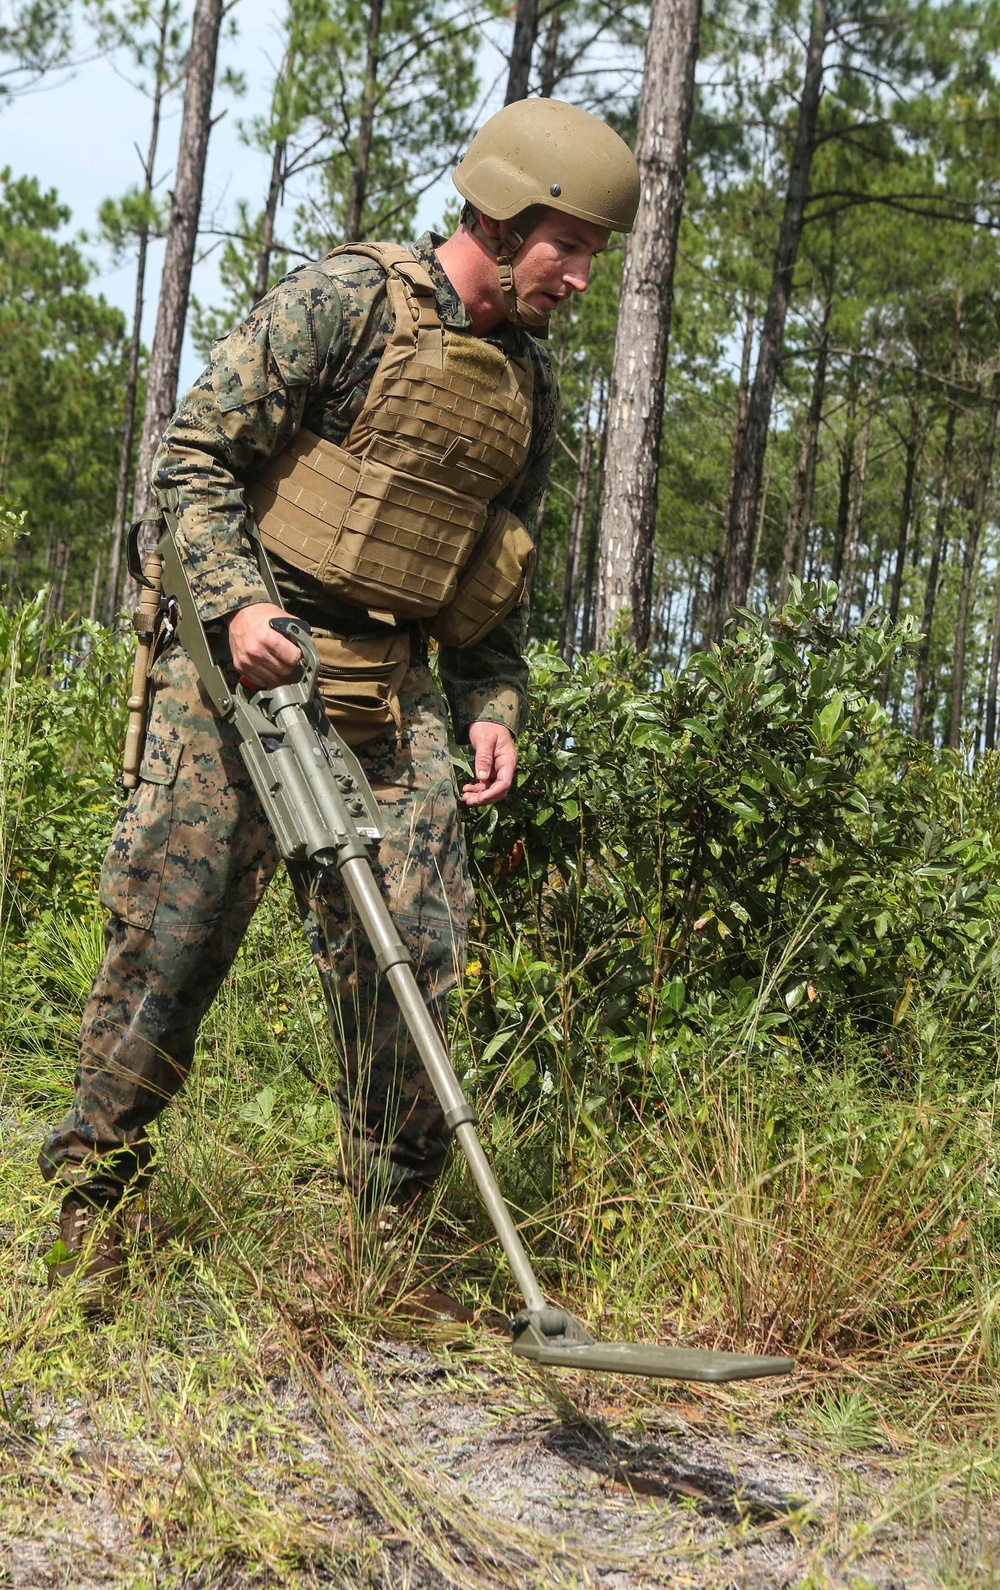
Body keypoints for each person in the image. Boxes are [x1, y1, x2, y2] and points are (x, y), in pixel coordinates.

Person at [39, 98, 640, 1307]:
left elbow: (498, 568)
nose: (579, 278)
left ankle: (388, 1252)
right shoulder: (348, 302)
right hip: (241, 671)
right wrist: (233, 606)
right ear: (501, 214)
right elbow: (193, 460)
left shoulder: (526, 385)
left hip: (390, 685)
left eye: (591, 256)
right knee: (171, 943)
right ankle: (87, 1220)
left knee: (415, 952)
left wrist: (493, 703)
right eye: (566, 247)